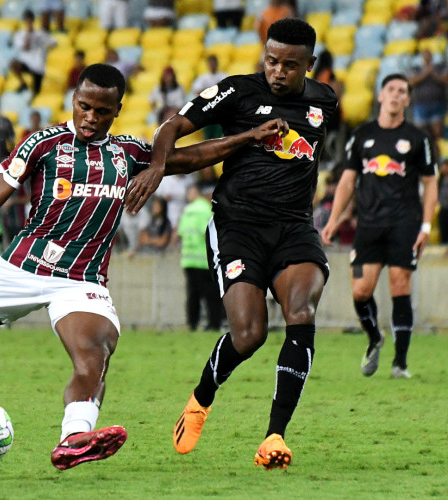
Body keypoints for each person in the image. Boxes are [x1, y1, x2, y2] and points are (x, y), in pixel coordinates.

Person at [0, 63, 287, 471]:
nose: (91, 117)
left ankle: (73, 438)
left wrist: (247, 137)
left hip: (81, 280)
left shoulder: (128, 152)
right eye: (84, 106)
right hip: (22, 267)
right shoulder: (42, 144)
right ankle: (0, 314)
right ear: (74, 101)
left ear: (117, 110)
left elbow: (187, 158)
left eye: (102, 111)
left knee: (95, 352)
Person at [149, 18, 339, 469]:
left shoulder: (325, 101)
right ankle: (201, 398)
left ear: (309, 65)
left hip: (294, 226)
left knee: (302, 313)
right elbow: (172, 127)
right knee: (249, 335)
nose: (277, 71)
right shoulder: (237, 91)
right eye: (271, 60)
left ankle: (275, 435)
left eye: (289, 65)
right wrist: (157, 166)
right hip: (238, 225)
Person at [321, 74, 438, 380]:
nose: (397, 95)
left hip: (405, 223)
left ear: (408, 100)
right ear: (381, 95)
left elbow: (430, 183)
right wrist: (334, 220)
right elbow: (348, 180)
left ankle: (400, 363)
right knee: (361, 291)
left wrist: (426, 226)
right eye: (392, 90)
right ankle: (375, 337)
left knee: (400, 286)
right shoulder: (361, 136)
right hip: (369, 225)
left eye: (403, 91)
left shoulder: (418, 138)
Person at [177, 183, 223, 331]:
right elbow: (208, 233)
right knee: (211, 295)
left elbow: (181, 232)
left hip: (188, 260)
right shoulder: (206, 209)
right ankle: (213, 323)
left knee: (192, 294)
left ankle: (192, 323)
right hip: (204, 260)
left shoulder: (187, 210)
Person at [407, 49, 448, 152]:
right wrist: (425, 74)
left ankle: (439, 154)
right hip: (420, 105)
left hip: (437, 104)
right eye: (425, 55)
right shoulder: (416, 68)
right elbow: (411, 81)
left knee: (437, 134)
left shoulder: (439, 66)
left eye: (428, 55)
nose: (427, 57)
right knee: (420, 133)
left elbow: (445, 79)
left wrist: (433, 74)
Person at [10, 9, 56, 95]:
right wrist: (29, 33)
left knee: (36, 92)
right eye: (27, 20)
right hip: (26, 62)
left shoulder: (40, 34)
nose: (28, 22)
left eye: (30, 20)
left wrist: (44, 48)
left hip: (38, 65)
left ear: (33, 20)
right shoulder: (20, 34)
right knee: (13, 63)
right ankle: (23, 83)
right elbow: (25, 47)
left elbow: (53, 43)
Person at [190, 55, 226, 140]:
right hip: (207, 108)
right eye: (211, 63)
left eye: (214, 63)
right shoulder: (203, 78)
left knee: (219, 134)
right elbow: (197, 91)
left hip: (219, 108)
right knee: (208, 134)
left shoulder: (223, 76)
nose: (212, 65)